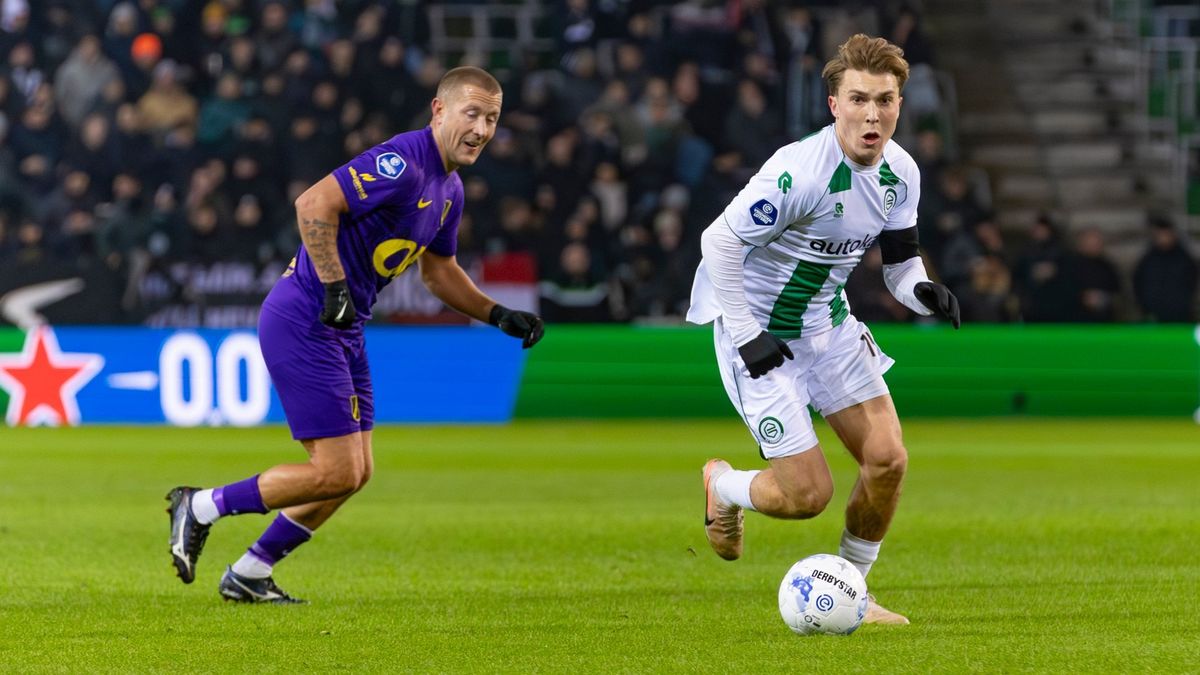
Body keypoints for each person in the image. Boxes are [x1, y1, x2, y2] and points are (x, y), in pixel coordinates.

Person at [166, 66, 544, 603]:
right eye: (472, 114)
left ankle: (250, 571)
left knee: (354, 472)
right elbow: (313, 204)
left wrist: (496, 313)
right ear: (438, 111)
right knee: (335, 470)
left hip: (343, 327)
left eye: (492, 119)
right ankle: (200, 505)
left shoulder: (449, 189)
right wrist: (333, 285)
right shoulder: (402, 162)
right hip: (307, 317)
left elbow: (438, 272)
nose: (483, 129)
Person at [686, 35, 959, 625]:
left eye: (885, 100)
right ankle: (725, 486)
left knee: (887, 460)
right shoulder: (797, 172)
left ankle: (853, 591)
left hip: (829, 327)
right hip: (758, 332)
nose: (873, 113)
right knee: (807, 497)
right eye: (858, 99)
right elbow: (719, 242)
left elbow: (900, 265)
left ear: (899, 105)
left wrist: (922, 292)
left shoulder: (901, 172)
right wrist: (745, 332)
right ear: (833, 104)